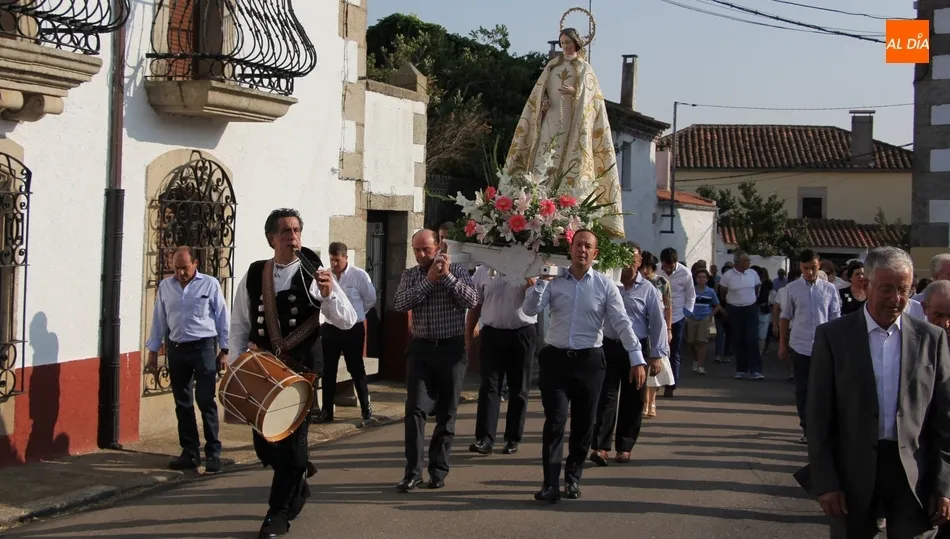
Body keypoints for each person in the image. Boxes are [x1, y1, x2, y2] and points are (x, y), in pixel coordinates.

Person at [228, 208, 358, 539]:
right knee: (265, 445)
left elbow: (347, 319)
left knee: (291, 445)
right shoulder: (256, 273)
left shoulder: (314, 272)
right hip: (263, 372)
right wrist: (234, 367)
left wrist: (328, 295)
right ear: (272, 238)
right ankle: (299, 475)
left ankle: (278, 513)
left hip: (300, 375)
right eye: (286, 231)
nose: (293, 236)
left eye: (297, 230)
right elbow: (240, 323)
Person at [804, 246, 950, 539]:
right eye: (886, 289)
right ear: (865, 285)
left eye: (903, 289)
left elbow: (944, 419)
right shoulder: (833, 337)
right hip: (852, 474)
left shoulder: (931, 338)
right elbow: (819, 416)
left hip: (913, 473)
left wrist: (944, 485)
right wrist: (827, 482)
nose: (896, 299)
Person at [522, 230, 647, 502]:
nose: (582, 249)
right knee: (555, 421)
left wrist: (636, 357)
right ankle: (550, 483)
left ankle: (573, 477)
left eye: (588, 246)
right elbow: (530, 310)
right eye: (578, 244)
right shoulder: (553, 280)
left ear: (595, 253)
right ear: (570, 249)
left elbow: (622, 322)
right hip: (555, 360)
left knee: (583, 424)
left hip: (589, 362)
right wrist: (541, 283)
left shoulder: (604, 285)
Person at [504, 20, 623, 238]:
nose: (565, 46)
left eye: (568, 42)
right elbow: (536, 96)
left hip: (573, 127)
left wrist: (575, 92)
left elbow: (593, 103)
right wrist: (543, 104)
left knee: (569, 164)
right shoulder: (552, 67)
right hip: (549, 123)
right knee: (543, 162)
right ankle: (537, 207)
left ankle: (565, 215)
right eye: (562, 42)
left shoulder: (585, 69)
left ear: (577, 43)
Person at [394, 229, 478, 492]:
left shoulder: (459, 271)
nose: (421, 255)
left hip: (451, 351)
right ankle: (413, 472)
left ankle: (438, 470)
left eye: (425, 250)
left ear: (438, 247)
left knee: (446, 413)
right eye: (416, 250)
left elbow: (472, 299)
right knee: (415, 411)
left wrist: (447, 278)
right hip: (421, 350)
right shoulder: (411, 275)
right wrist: (429, 281)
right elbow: (400, 304)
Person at [145, 246, 230, 473]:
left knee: (205, 400)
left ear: (195, 264)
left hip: (203, 348)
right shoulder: (166, 286)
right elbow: (159, 320)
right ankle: (190, 452)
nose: (180, 273)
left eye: (184, 267)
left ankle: (213, 453)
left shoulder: (209, 284)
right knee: (182, 403)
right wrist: (153, 351)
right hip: (177, 349)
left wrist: (225, 348)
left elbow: (222, 315)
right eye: (176, 268)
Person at [591, 243, 667, 464]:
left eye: (631, 258)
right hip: (609, 345)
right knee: (606, 397)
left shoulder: (649, 290)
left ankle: (624, 446)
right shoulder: (607, 284)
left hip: (637, 350)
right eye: (622, 258)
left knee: (633, 399)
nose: (626, 263)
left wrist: (656, 355)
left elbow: (657, 323)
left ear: (639, 261)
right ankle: (600, 446)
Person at [465, 263, 537, 456]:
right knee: (489, 385)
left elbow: (540, 302)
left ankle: (513, 438)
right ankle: (485, 439)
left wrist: (532, 286)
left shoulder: (531, 268)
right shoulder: (483, 270)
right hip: (492, 334)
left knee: (519, 388)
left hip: (522, 333)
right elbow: (475, 303)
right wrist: (469, 333)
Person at [779, 249, 841, 444]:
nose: (811, 272)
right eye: (806, 269)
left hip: (823, 346)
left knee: (824, 388)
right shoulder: (792, 289)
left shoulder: (829, 289)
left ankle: (822, 426)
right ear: (800, 267)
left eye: (813, 268)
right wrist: (782, 344)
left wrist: (836, 346)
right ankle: (806, 426)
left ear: (819, 265)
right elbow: (785, 317)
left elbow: (834, 318)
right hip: (800, 344)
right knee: (803, 388)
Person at [313, 241, 377, 423]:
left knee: (356, 367)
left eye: (338, 260)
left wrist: (357, 315)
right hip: (331, 327)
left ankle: (366, 409)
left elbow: (370, 299)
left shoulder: (358, 275)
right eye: (332, 260)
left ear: (346, 258)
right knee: (328, 370)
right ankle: (327, 411)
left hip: (353, 328)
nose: (334, 264)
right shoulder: (326, 275)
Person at [718, 251, 763, 380]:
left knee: (752, 338)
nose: (749, 262)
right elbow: (722, 292)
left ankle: (756, 370)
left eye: (749, 260)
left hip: (750, 308)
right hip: (734, 309)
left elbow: (757, 288)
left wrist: (750, 300)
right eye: (746, 260)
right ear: (738, 262)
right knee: (738, 339)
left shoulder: (753, 273)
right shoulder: (727, 276)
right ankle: (741, 369)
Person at [659, 247, 696, 397]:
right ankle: (655, 383)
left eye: (670, 266)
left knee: (674, 352)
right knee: (657, 351)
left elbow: (691, 295)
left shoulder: (685, 273)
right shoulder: (655, 271)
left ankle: (671, 385)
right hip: (659, 316)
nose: (667, 270)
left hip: (677, 317)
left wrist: (688, 310)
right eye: (665, 266)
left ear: (675, 262)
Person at [686, 268, 723, 376]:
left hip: (704, 319)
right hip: (692, 318)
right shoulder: (691, 290)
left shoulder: (710, 291)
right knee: (691, 342)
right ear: (696, 279)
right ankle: (696, 359)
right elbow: (685, 302)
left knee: (702, 341)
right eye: (699, 277)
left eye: (704, 277)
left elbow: (717, 305)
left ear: (707, 279)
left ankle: (700, 366)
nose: (701, 279)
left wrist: (710, 315)